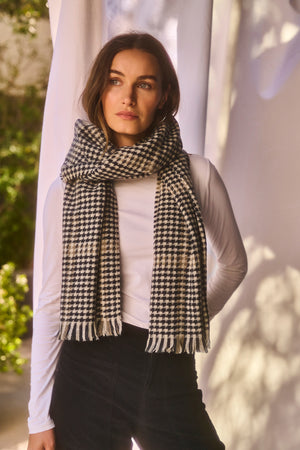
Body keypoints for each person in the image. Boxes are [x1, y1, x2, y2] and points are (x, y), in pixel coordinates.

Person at [27, 32, 247, 450]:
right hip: (86, 368)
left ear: (163, 96)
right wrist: (38, 415)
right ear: (100, 90)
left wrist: (184, 320)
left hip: (164, 368)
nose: (127, 96)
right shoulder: (68, 188)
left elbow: (234, 264)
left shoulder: (196, 175)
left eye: (144, 84)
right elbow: (52, 301)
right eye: (115, 81)